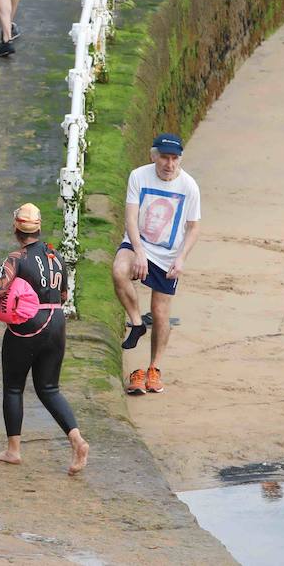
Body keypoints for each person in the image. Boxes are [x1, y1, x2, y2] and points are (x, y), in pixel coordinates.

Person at [0, 203, 89, 475]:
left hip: (28, 325)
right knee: (49, 388)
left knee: (13, 387)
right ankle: (77, 440)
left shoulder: (16, 258)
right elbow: (64, 295)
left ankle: (13, 450)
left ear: (16, 229)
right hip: (56, 322)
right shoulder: (56, 257)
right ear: (39, 228)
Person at [111, 133, 202, 396]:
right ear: (154, 156)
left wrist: (181, 258)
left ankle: (154, 368)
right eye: (164, 157)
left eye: (174, 159)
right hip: (138, 243)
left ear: (180, 160)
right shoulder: (138, 176)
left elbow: (194, 227)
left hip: (168, 254)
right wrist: (138, 252)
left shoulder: (189, 186)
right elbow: (130, 218)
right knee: (119, 270)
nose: (169, 164)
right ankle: (137, 322)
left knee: (160, 311)